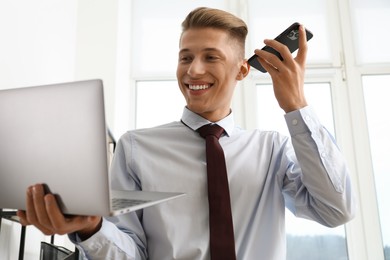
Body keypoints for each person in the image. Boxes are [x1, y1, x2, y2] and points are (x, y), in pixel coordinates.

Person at [17, 7, 355, 260]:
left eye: (211, 57)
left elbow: (335, 209)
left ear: (241, 70)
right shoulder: (136, 147)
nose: (194, 69)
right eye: (185, 57)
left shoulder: (272, 149)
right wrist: (90, 228)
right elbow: (131, 253)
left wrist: (296, 107)